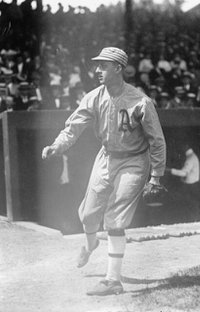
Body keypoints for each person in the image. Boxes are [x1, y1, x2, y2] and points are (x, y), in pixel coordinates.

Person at [42, 47, 166, 296]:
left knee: (115, 217)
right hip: (106, 157)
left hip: (133, 160)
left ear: (118, 68)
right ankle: (91, 243)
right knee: (88, 215)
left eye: (103, 66)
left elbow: (157, 140)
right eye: (97, 65)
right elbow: (73, 128)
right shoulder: (93, 97)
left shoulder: (141, 101)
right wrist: (56, 145)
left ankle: (112, 281)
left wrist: (156, 175)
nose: (97, 70)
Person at [166, 143, 200, 221]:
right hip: (192, 185)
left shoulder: (190, 158)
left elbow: (184, 173)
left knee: (191, 205)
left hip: (191, 186)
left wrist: (169, 170)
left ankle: (192, 221)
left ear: (186, 147)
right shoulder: (192, 156)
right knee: (192, 206)